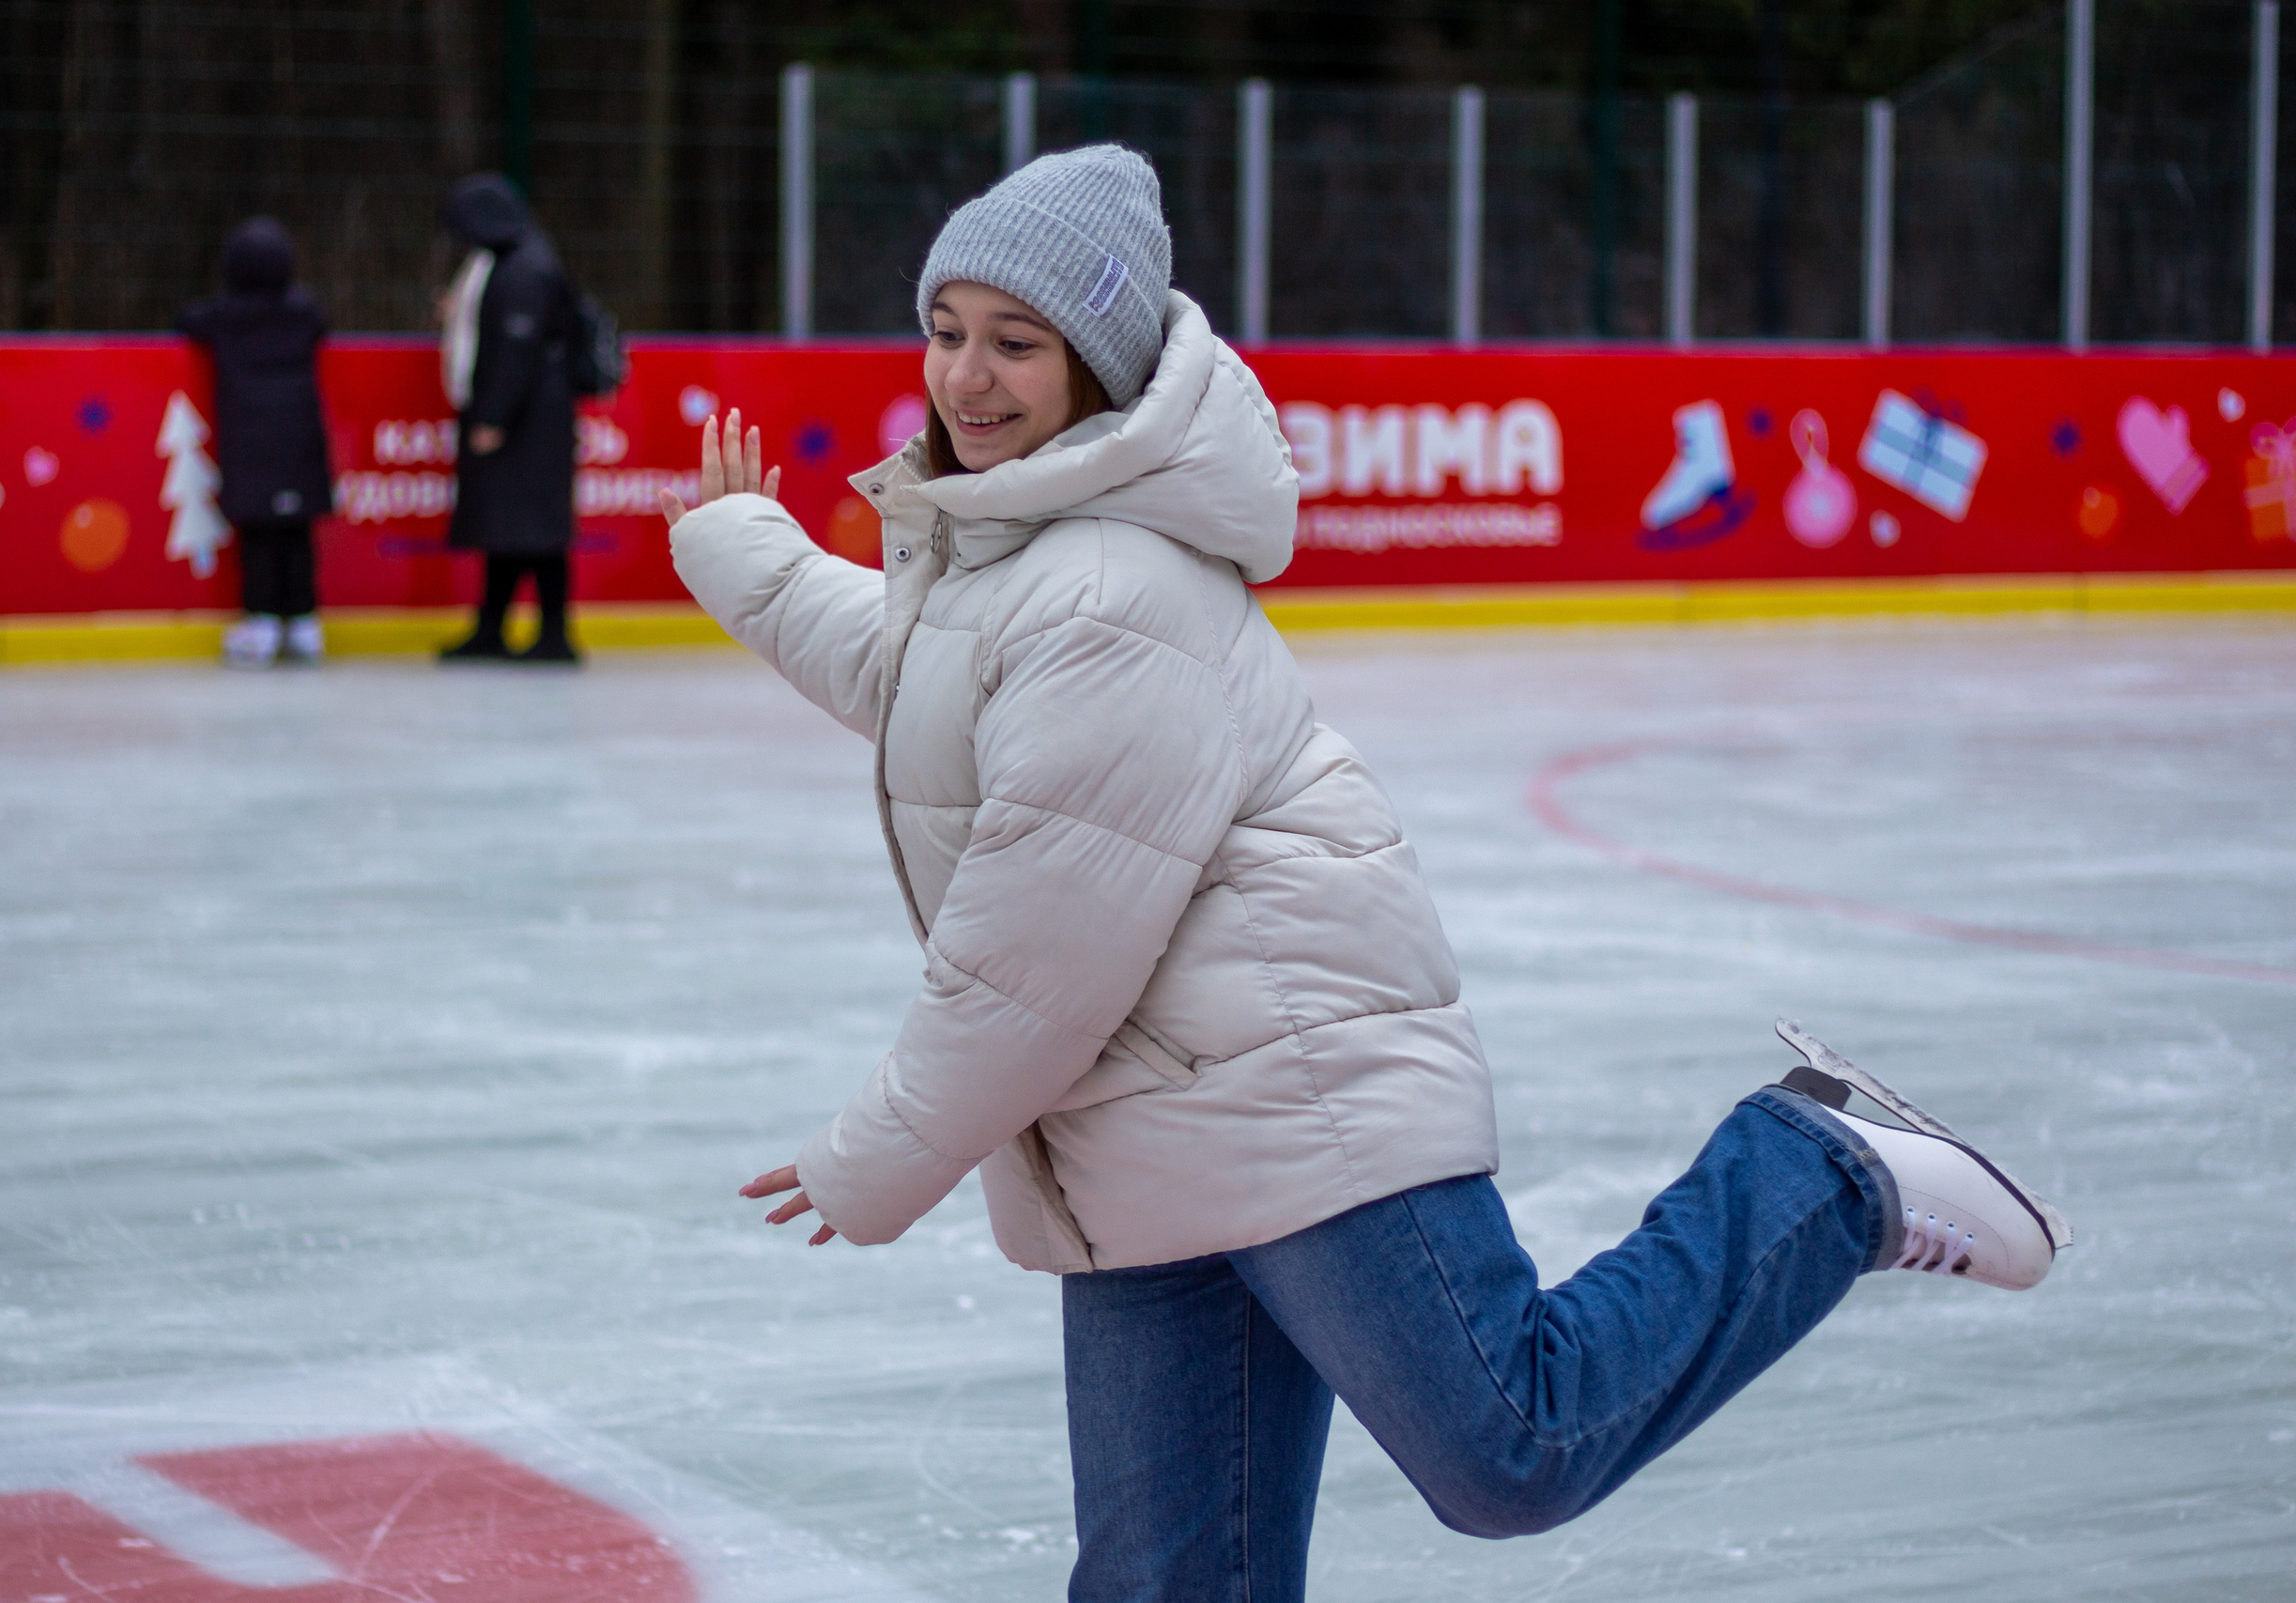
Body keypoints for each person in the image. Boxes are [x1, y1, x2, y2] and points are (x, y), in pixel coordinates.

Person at [662, 146, 2073, 1602]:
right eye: (947, 329)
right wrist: (746, 555)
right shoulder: (1021, 549)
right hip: (1143, 1124)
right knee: (1167, 1582)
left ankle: (1815, 1169)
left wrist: (879, 1154)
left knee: (1515, 1439)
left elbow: (1033, 961)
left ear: (1098, 364)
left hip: (1288, 1084)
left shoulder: (1108, 588)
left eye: (1016, 342)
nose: (967, 375)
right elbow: (927, 678)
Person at [436, 173, 580, 664]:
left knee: (537, 530)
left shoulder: (523, 270)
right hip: (532, 418)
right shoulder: (519, 259)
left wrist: (493, 417)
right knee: (508, 527)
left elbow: (517, 349)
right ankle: (492, 626)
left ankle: (554, 633)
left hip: (529, 423)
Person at [177, 217, 333, 669]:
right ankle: (303, 624)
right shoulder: (303, 313)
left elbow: (187, 323)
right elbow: (321, 323)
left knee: (260, 535)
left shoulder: (225, 316)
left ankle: (262, 622)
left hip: (251, 443)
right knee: (297, 531)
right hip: (300, 439)